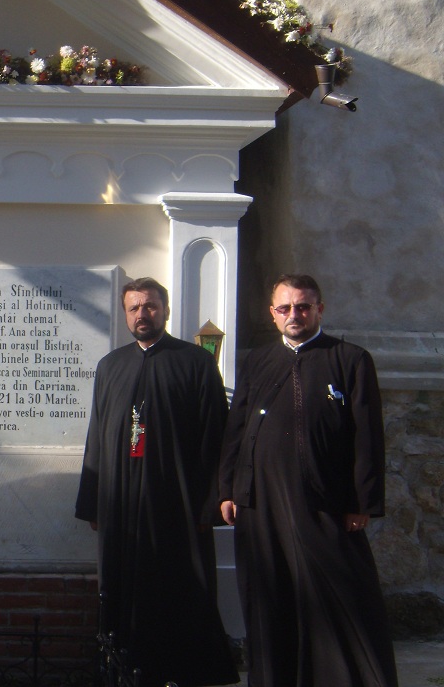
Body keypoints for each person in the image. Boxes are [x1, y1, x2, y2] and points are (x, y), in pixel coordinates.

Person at [219, 274, 398, 686]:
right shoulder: (259, 360)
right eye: (285, 308)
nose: (294, 315)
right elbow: (237, 427)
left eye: (303, 306)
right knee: (271, 595)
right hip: (260, 502)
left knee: (345, 594)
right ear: (273, 314)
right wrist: (227, 488)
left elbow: (368, 436)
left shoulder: (350, 359)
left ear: (320, 308)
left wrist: (362, 501)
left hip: (327, 502)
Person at [75, 277, 238, 687]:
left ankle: (184, 671)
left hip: (177, 501)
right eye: (134, 308)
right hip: (121, 503)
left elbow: (214, 438)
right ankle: (122, 668)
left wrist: (209, 504)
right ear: (125, 314)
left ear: (164, 310)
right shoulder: (110, 366)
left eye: (150, 306)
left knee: (179, 586)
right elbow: (97, 435)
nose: (142, 314)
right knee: (122, 584)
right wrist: (92, 502)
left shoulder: (196, 363)